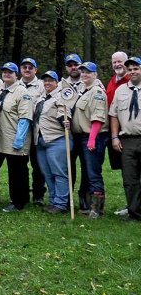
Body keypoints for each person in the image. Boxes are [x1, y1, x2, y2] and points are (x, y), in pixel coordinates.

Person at [0, 62, 33, 212]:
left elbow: (25, 117)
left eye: (10, 72)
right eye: (4, 71)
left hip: (14, 138)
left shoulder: (21, 92)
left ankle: (18, 202)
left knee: (16, 172)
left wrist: (19, 140)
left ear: (16, 75)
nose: (7, 74)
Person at [72, 62, 109, 219]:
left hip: (92, 137)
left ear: (95, 74)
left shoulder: (97, 92)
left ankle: (97, 209)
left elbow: (98, 119)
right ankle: (87, 205)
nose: (84, 74)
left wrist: (92, 139)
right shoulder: (82, 90)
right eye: (83, 72)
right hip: (80, 136)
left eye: (88, 72)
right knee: (87, 172)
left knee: (93, 173)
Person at [33, 71, 70, 214]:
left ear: (57, 82)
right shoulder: (41, 98)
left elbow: (64, 111)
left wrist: (65, 121)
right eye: (45, 81)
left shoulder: (61, 96)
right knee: (47, 174)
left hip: (56, 140)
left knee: (59, 173)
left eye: (50, 80)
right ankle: (53, 201)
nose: (47, 83)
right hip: (41, 141)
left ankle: (61, 204)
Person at [109, 56, 141, 221]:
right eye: (130, 69)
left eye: (136, 68)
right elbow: (113, 115)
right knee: (130, 179)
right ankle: (134, 213)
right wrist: (114, 137)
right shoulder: (120, 91)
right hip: (127, 140)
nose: (132, 72)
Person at [63, 52, 89, 212]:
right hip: (68, 133)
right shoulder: (61, 84)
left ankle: (84, 199)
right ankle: (67, 198)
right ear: (66, 67)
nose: (73, 67)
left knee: (87, 167)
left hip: (85, 133)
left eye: (76, 64)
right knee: (68, 166)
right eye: (70, 65)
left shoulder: (89, 82)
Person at [19, 57, 46, 205]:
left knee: (38, 165)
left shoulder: (42, 85)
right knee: (21, 164)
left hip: (36, 131)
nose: (27, 70)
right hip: (20, 132)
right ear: (20, 70)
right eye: (24, 67)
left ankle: (38, 195)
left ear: (35, 70)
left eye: (30, 67)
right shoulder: (15, 85)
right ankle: (22, 193)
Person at [106, 51, 130, 216]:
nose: (117, 65)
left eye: (120, 61)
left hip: (130, 131)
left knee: (135, 171)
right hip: (114, 131)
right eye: (114, 62)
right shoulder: (111, 82)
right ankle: (132, 204)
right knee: (126, 171)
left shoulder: (132, 80)